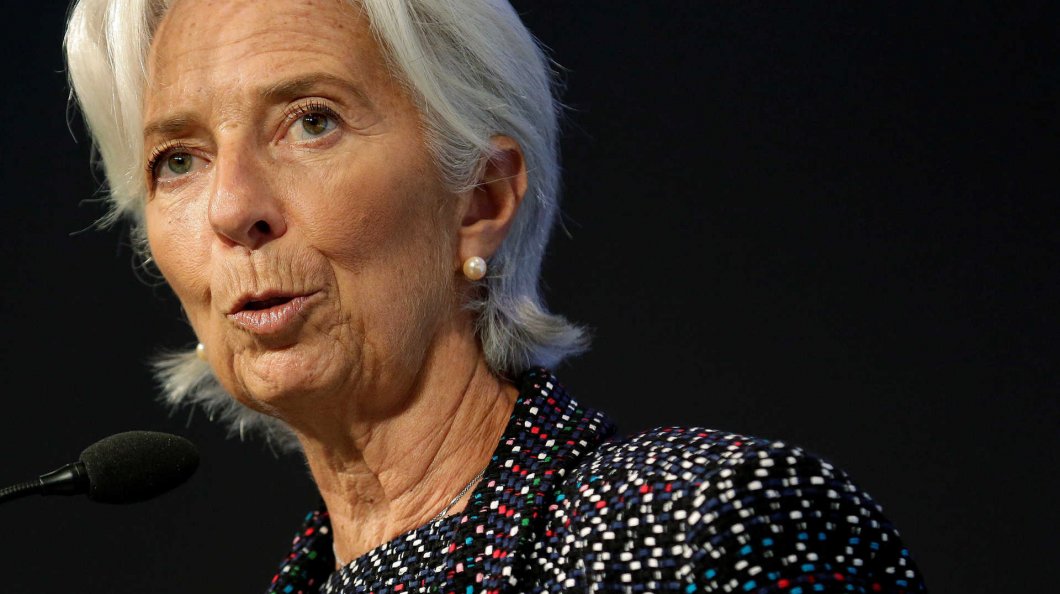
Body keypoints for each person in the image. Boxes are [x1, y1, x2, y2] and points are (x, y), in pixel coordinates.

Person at [63, 0, 928, 592]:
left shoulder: (709, 520)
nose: (232, 209)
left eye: (312, 120)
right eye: (179, 160)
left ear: (480, 199)